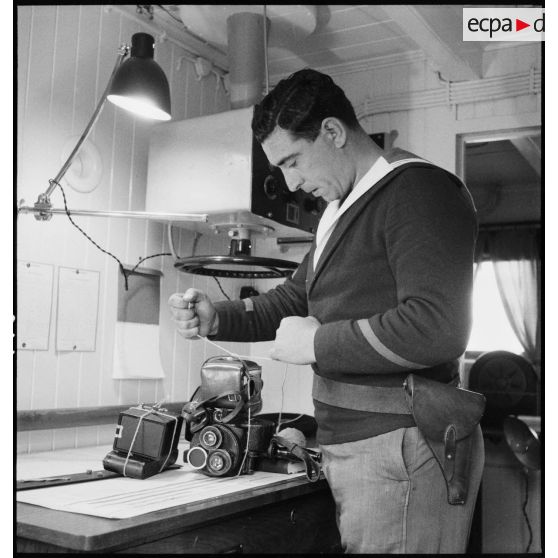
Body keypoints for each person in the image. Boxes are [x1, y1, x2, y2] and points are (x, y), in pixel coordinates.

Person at [168, 68, 484, 554]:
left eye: (293, 161)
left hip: (401, 449)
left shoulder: (418, 190)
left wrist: (316, 343)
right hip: (362, 448)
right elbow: (296, 299)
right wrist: (219, 317)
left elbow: (437, 327)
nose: (292, 182)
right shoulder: (341, 208)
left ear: (333, 132)